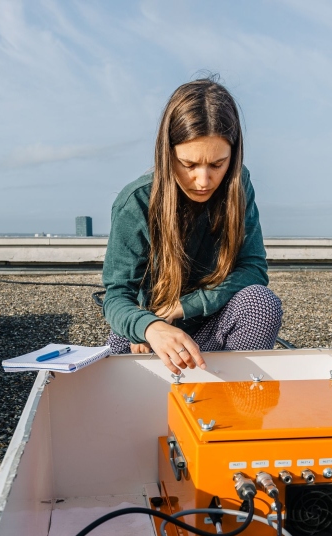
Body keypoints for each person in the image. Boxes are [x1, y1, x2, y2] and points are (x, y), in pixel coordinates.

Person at [101, 78, 282, 375]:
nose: (203, 181)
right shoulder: (135, 202)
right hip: (152, 333)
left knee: (261, 304)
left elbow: (253, 269)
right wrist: (150, 327)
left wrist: (186, 306)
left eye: (217, 165)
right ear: (167, 152)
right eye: (189, 164)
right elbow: (117, 295)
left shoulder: (239, 186)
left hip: (213, 325)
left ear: (233, 157)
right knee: (120, 350)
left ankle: (232, 407)